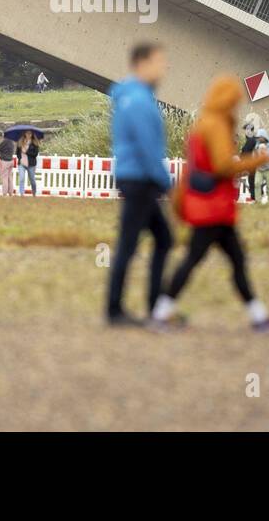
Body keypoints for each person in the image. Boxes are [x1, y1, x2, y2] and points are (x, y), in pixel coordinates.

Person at [151, 75, 269, 333]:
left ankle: (258, 316)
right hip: (212, 209)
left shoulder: (202, 124)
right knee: (197, 259)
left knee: (232, 259)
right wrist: (255, 162)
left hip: (209, 208)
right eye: (234, 102)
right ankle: (161, 312)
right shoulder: (216, 126)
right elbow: (223, 165)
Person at [105, 42, 174, 326]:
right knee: (131, 243)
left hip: (134, 176)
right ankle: (119, 310)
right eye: (159, 62)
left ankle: (148, 307)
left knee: (159, 239)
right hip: (140, 178)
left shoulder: (129, 96)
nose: (164, 69)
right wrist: (166, 183)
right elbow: (147, 146)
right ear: (142, 63)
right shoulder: (139, 99)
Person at [240, 124, 259, 200]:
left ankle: (254, 197)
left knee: (252, 181)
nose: (245, 132)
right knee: (253, 181)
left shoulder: (250, 140)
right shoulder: (254, 139)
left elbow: (246, 152)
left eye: (246, 130)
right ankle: (256, 196)